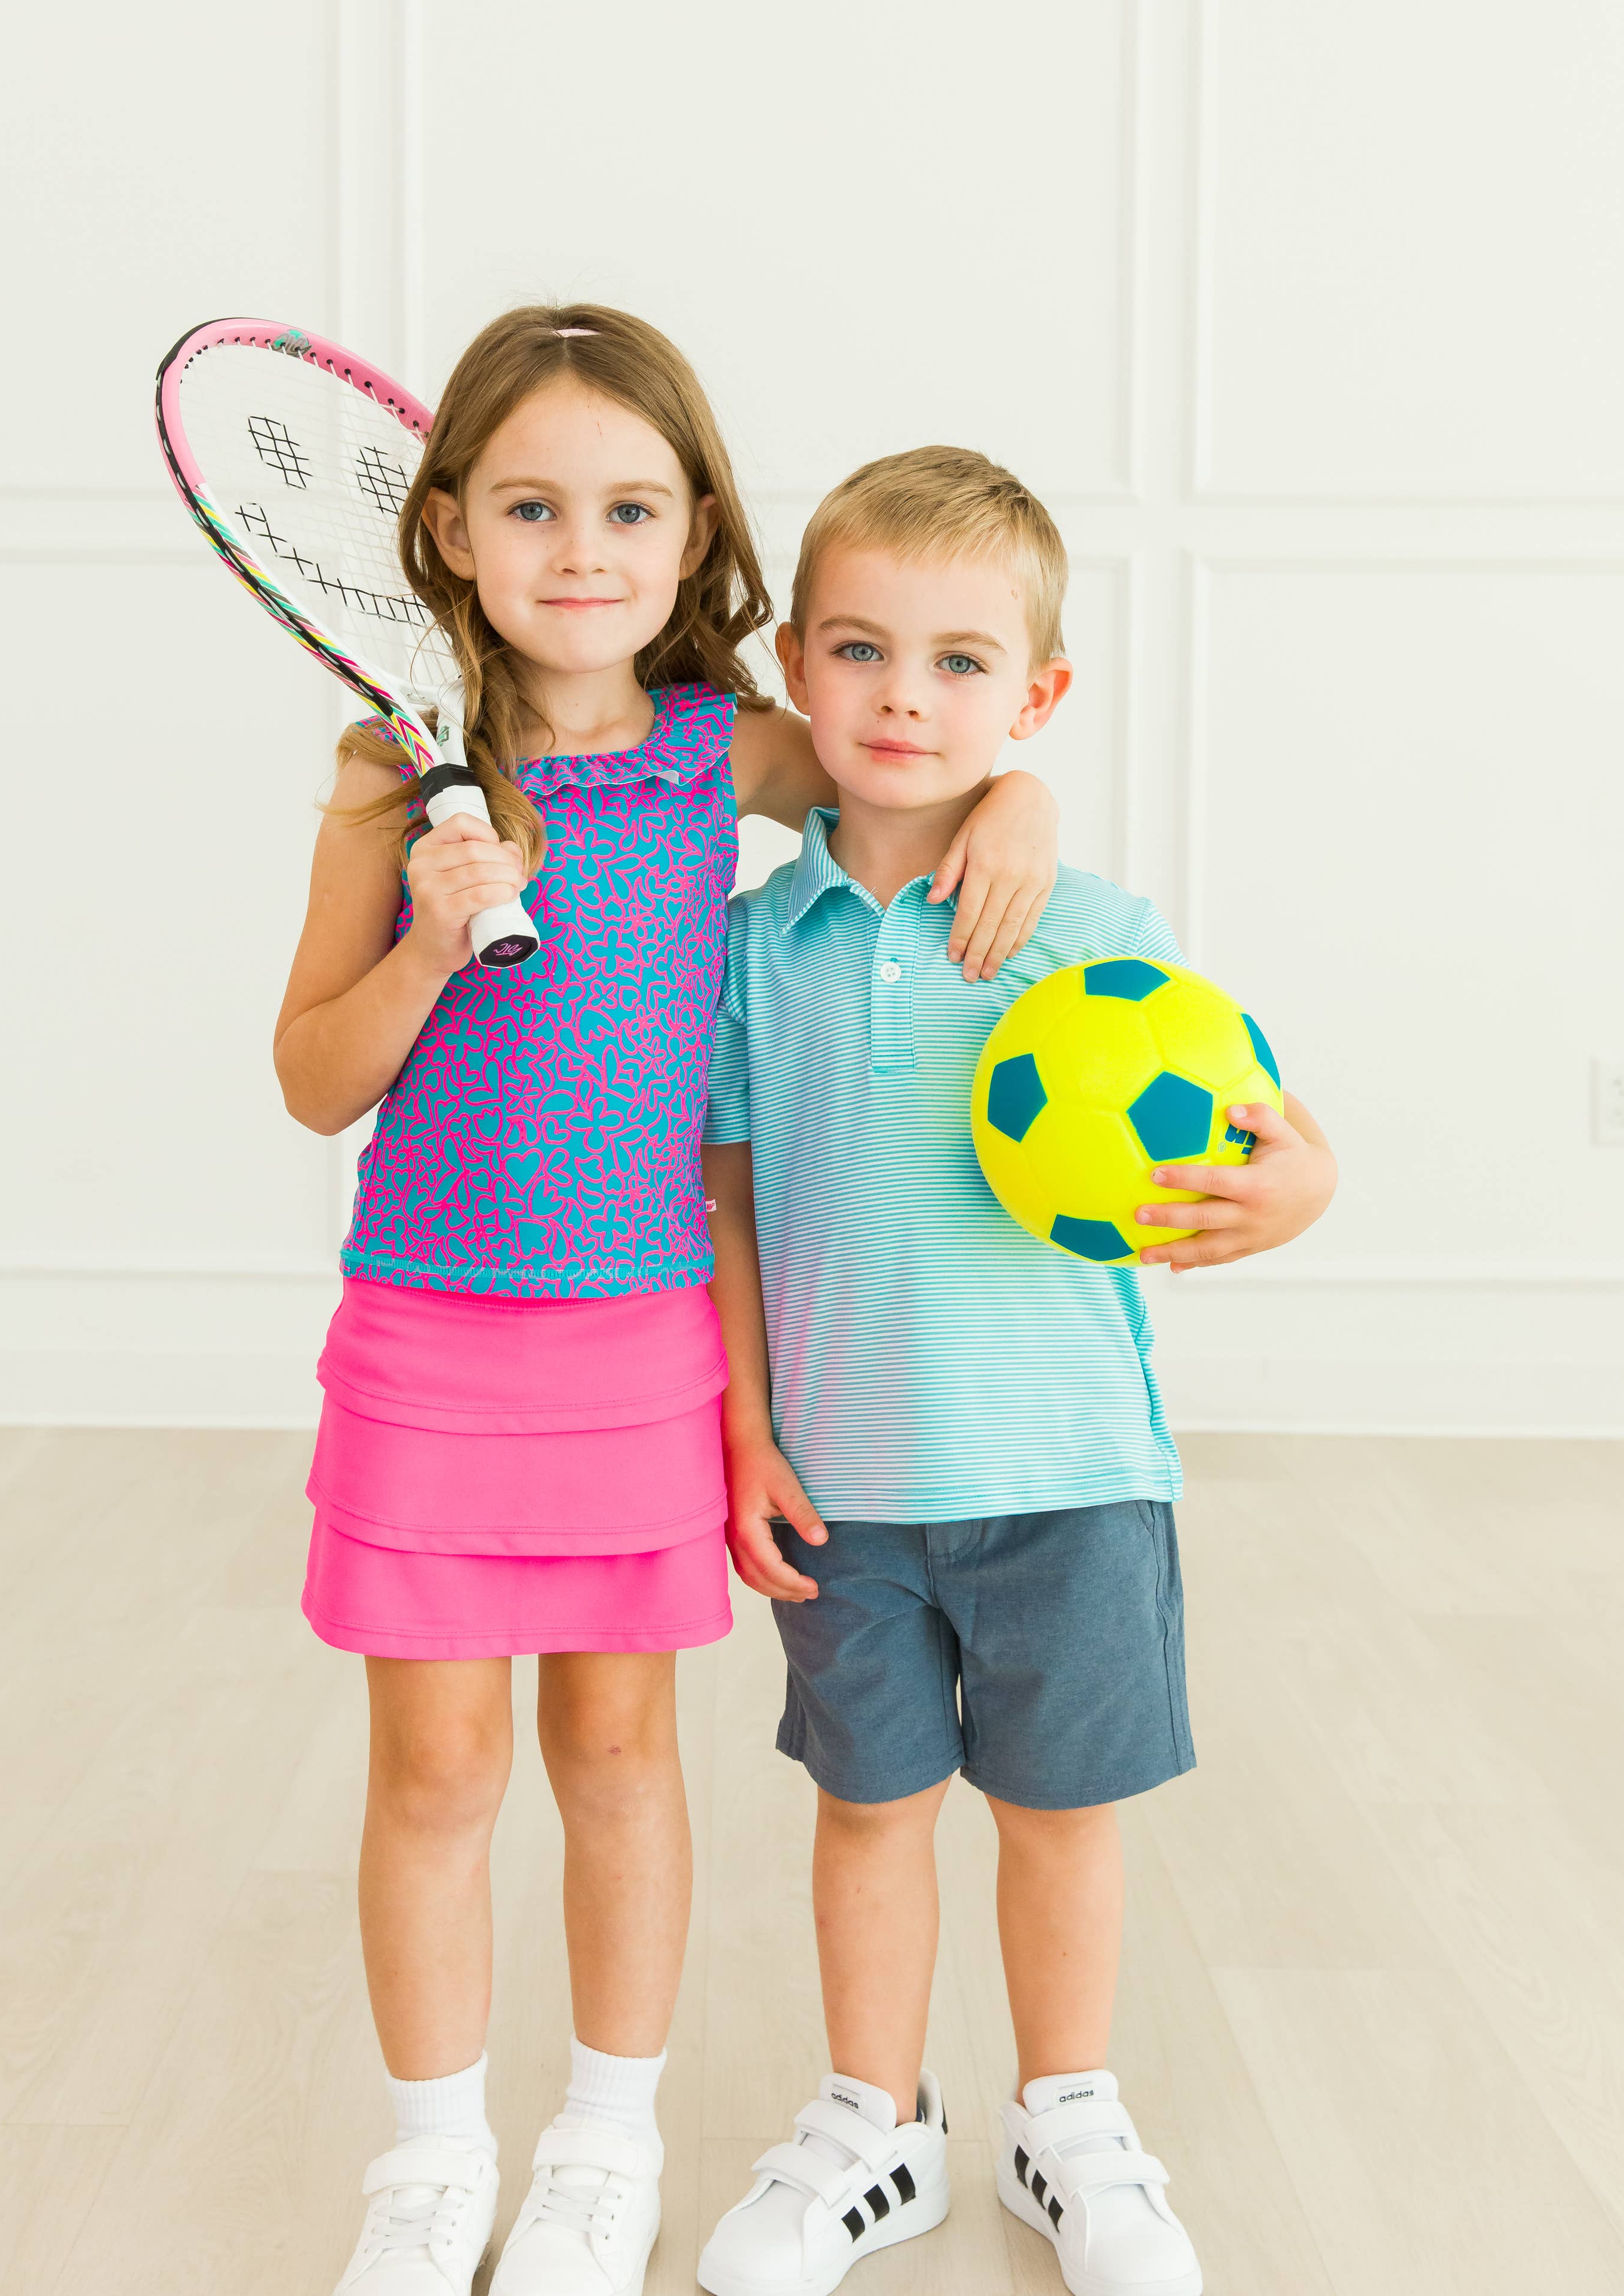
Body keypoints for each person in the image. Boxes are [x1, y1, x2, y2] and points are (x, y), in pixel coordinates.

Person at [271, 313, 1063, 2296]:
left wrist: (1023, 802)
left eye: (630, 508)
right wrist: (432, 946)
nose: (583, 549)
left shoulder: (727, 741)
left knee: (617, 1755)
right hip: (430, 1336)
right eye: (532, 507)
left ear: (696, 524)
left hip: (637, 1341)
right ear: (447, 528)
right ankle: (434, 2164)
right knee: (436, 1771)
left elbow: (918, 763)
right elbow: (312, 1076)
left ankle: (603, 2149)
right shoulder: (392, 774)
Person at [696, 447, 1338, 2296]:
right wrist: (744, 1422)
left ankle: (1069, 2118)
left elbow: (1268, 1134)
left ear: (1037, 697)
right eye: (862, 650)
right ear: (797, 680)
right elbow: (728, 1204)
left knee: (1062, 1820)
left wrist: (1306, 1183)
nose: (909, 696)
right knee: (868, 1811)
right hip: (850, 1479)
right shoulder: (750, 949)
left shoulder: (1097, 931)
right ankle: (873, 2123)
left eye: (964, 663)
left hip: (1068, 1470)